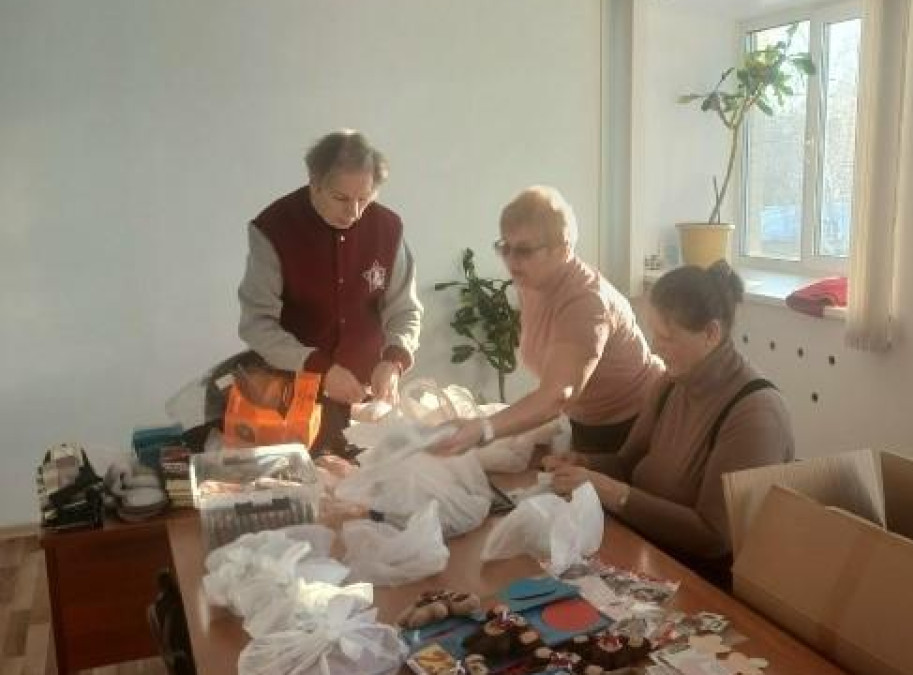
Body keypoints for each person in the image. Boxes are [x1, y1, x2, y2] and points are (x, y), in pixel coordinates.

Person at [546, 262, 795, 588]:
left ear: (711, 334)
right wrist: (584, 463)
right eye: (654, 335)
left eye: (667, 337)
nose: (655, 348)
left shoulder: (754, 413)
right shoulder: (670, 383)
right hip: (648, 553)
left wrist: (616, 494)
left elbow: (714, 538)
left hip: (705, 582)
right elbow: (625, 463)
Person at [435, 186, 662, 455]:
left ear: (563, 249)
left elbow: (559, 394)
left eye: (524, 250)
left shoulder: (585, 302)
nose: (511, 260)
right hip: (587, 420)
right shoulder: (532, 282)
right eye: (505, 247)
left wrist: (484, 428)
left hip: (635, 424)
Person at [237, 130, 422, 453]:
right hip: (293, 393)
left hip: (365, 395)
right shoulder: (273, 229)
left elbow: (404, 310)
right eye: (341, 198)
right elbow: (257, 324)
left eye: (364, 198)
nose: (354, 213)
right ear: (314, 182)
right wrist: (318, 369)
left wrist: (393, 360)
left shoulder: (388, 228)